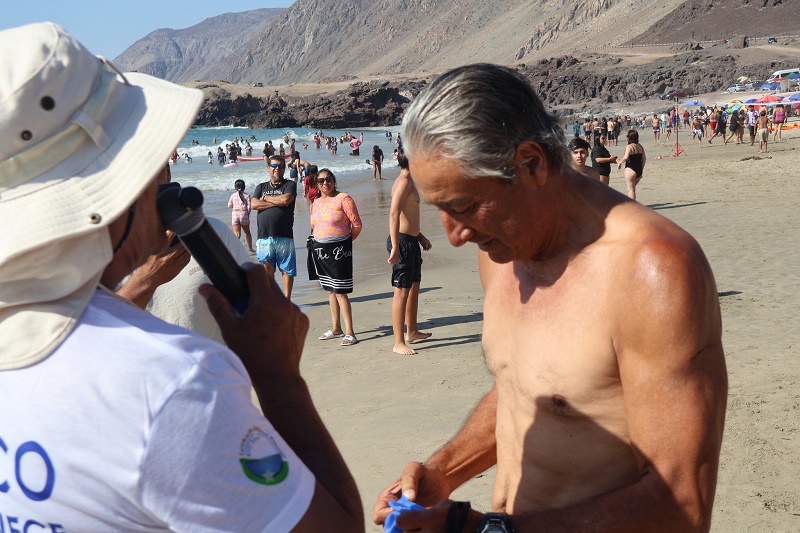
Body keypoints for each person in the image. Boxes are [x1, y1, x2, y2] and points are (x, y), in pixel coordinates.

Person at [0, 22, 363, 532]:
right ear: (118, 189)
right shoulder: (168, 385)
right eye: (149, 160)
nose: (164, 178)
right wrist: (279, 378)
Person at [372, 64, 727, 532]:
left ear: (531, 163)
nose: (454, 236)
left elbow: (681, 505)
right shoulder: (501, 250)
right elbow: (526, 387)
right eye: (439, 208)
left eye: (463, 206)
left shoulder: (652, 271)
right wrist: (445, 471)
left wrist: (480, 530)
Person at [309, 170, 363, 347]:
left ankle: (350, 332)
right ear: (317, 184)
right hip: (321, 251)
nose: (325, 183)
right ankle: (336, 328)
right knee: (330, 290)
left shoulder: (343, 198)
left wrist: (344, 243)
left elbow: (357, 225)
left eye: (329, 179)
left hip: (340, 251)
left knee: (340, 291)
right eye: (321, 180)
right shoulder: (315, 203)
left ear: (334, 180)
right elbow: (314, 226)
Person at [387, 153, 433, 355]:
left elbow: (408, 216)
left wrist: (420, 236)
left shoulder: (410, 182)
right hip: (402, 242)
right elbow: (394, 214)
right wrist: (395, 246)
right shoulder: (403, 182)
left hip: (411, 241)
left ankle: (412, 331)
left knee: (413, 287)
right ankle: (398, 342)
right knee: (402, 291)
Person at [252, 155, 298, 299]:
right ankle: (272, 299)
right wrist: (276, 202)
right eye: (274, 166)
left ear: (284, 169)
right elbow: (254, 204)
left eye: (280, 166)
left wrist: (266, 199)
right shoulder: (261, 187)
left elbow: (286, 199)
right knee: (267, 268)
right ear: (268, 168)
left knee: (287, 269)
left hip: (284, 234)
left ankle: (287, 300)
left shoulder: (289, 185)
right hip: (264, 236)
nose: (277, 168)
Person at [617, 129, 646, 200]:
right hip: (639, 170)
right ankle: (632, 203)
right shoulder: (640, 146)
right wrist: (641, 168)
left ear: (629, 137)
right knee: (632, 189)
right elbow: (644, 159)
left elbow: (626, 157)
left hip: (630, 169)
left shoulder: (629, 146)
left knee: (630, 190)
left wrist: (619, 162)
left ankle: (632, 204)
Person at [227, 179, 255, 253]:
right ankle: (250, 248)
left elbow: (229, 205)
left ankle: (235, 249)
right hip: (243, 213)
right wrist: (247, 215)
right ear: (244, 187)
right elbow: (249, 207)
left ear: (235, 187)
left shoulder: (233, 195)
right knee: (247, 232)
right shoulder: (247, 195)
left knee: (237, 234)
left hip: (235, 214)